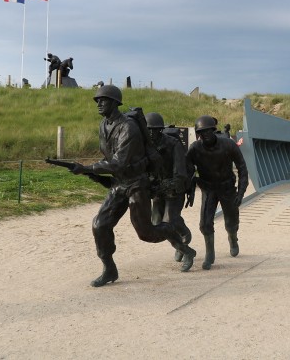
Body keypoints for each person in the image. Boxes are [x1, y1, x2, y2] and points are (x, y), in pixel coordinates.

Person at [70, 85, 197, 287]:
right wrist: (92, 172)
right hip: (119, 184)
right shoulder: (104, 125)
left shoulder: (128, 127)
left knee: (146, 233)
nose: (99, 103)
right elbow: (108, 157)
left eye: (103, 100)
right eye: (97, 100)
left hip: (137, 184)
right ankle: (109, 269)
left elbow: (119, 161)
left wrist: (87, 168)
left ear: (115, 102)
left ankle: (184, 248)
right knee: (100, 225)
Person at [186, 115, 249, 270]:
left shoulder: (228, 145)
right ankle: (210, 253)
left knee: (231, 222)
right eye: (202, 132)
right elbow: (186, 170)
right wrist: (190, 186)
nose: (205, 135)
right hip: (208, 188)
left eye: (208, 131)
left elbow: (242, 169)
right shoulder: (194, 149)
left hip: (227, 188)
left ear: (214, 131)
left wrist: (240, 193)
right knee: (205, 224)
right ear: (198, 134)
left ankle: (233, 239)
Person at [145, 112, 192, 262]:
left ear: (160, 129)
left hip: (174, 189)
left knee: (169, 219)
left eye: (155, 129)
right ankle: (179, 238)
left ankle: (184, 237)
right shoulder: (146, 146)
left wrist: (167, 185)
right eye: (148, 129)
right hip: (157, 190)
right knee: (157, 223)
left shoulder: (173, 144)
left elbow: (180, 174)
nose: (152, 133)